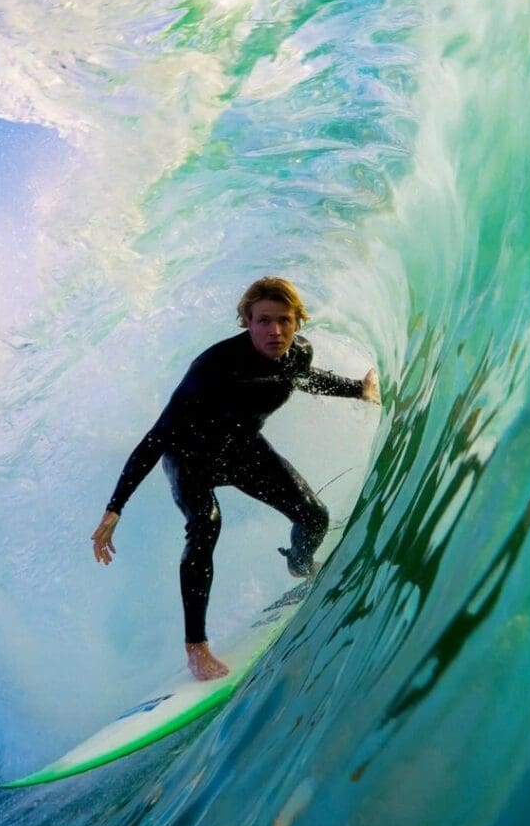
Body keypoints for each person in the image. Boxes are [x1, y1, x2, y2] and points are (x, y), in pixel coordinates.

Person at [90, 277, 380, 680]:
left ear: (298, 322)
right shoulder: (214, 366)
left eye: (284, 320)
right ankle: (196, 648)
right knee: (206, 525)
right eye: (263, 321)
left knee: (314, 516)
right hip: (190, 456)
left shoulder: (298, 354)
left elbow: (305, 380)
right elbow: (158, 436)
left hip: (242, 449)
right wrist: (114, 508)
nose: (274, 331)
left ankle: (300, 565)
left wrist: (359, 390)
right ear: (246, 321)